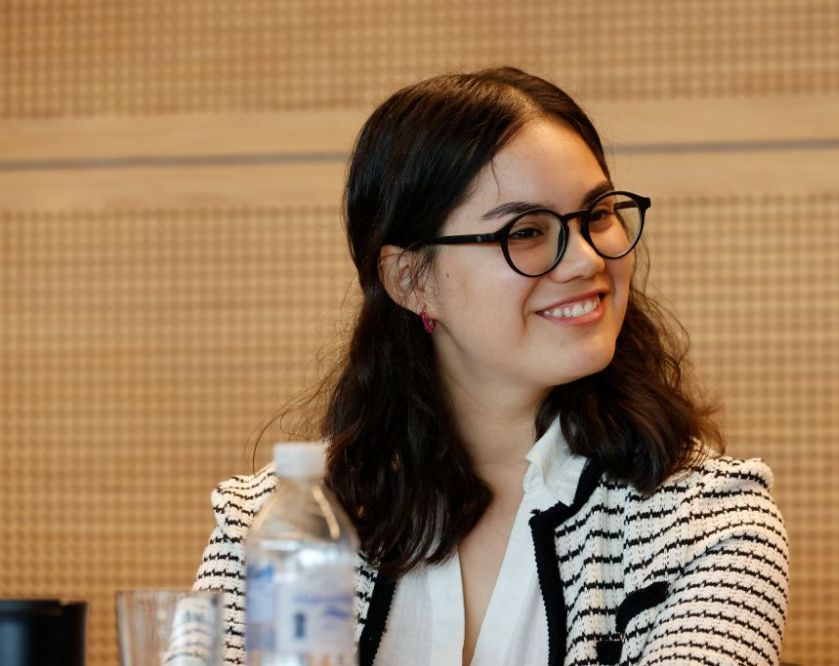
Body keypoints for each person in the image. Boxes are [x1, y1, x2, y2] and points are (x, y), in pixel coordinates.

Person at [194, 66, 789, 666]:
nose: (586, 260)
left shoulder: (713, 525)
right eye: (526, 231)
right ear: (410, 280)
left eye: (598, 215)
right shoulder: (273, 525)